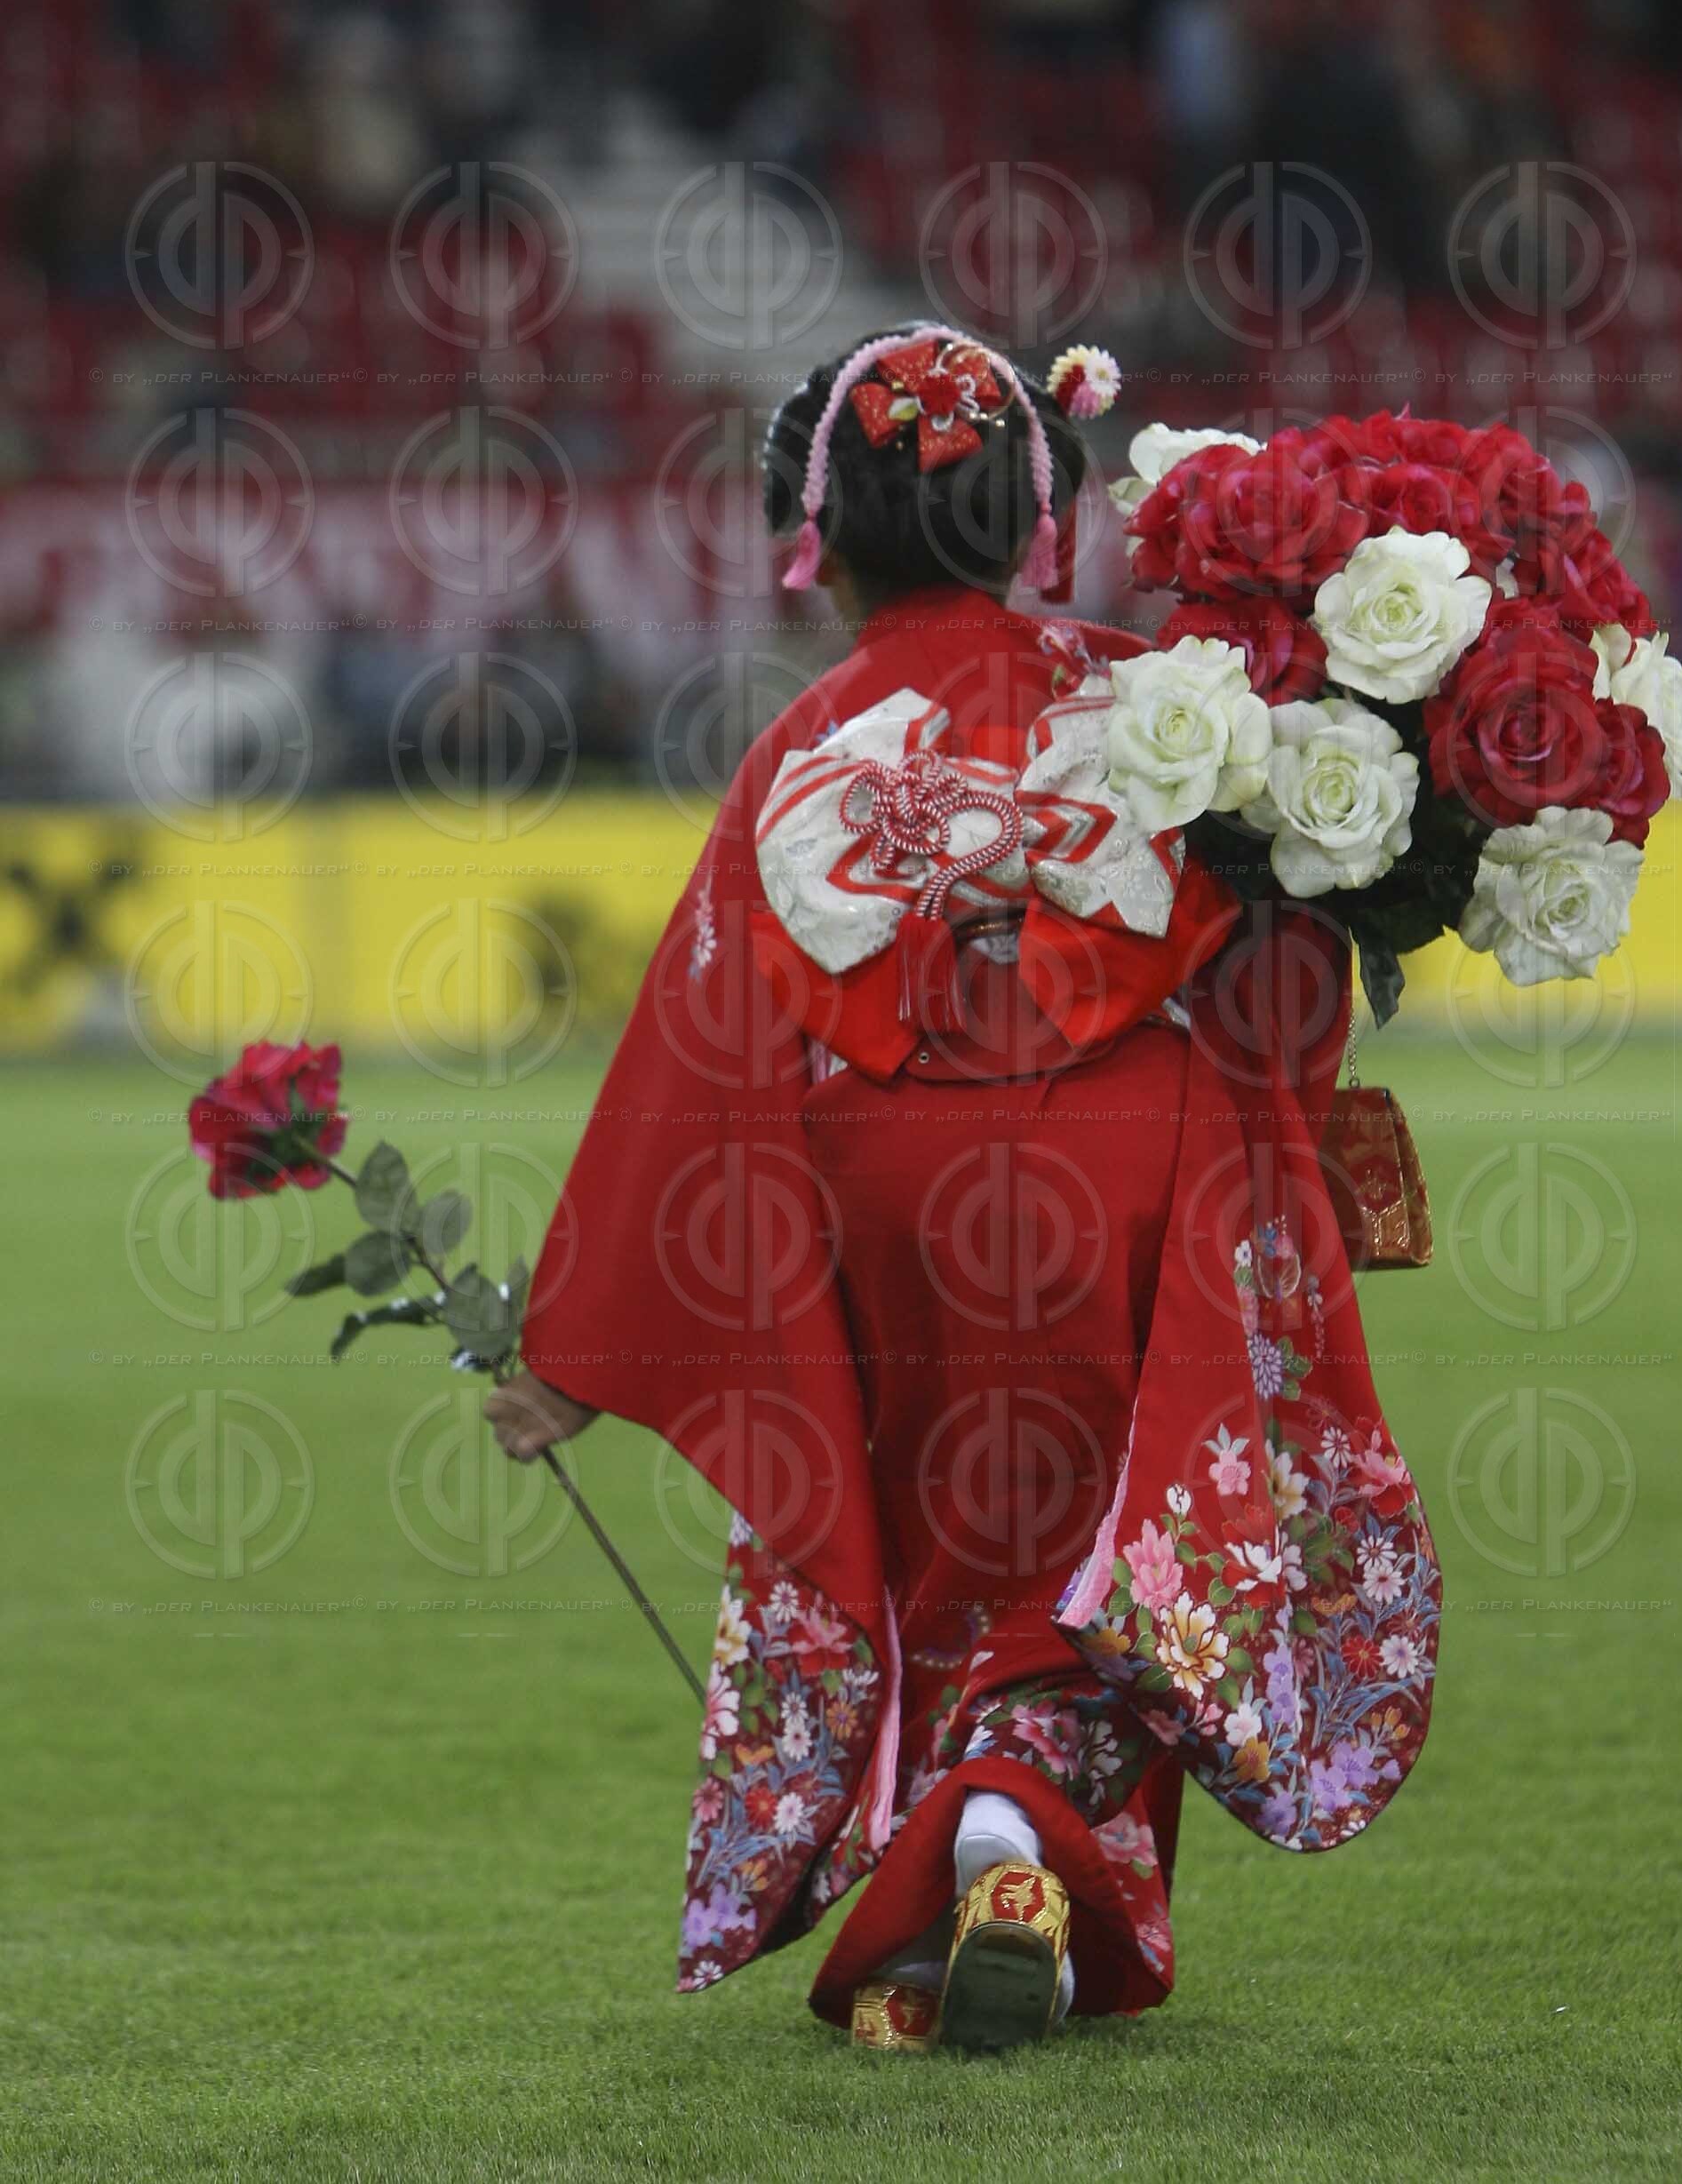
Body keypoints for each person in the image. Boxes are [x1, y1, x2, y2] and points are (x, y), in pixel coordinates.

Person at [486, 325, 1439, 2051]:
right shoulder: (1143, 700)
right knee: (1114, 1541)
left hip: (890, 1177)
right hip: (1133, 1158)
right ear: (1037, 518)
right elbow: (1275, 967)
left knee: (946, 1548)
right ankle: (1009, 1845)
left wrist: (572, 1349)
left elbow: (698, 1048)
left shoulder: (803, 744)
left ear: (819, 531)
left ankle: (957, 1909)